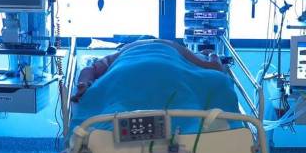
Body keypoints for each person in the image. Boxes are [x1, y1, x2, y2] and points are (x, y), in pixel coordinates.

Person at [71, 38, 227, 102]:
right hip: (169, 70)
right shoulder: (172, 45)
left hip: (125, 71)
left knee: (118, 98)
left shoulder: (122, 51)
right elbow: (214, 68)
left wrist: (84, 84)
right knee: (218, 81)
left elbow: (90, 69)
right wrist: (212, 54)